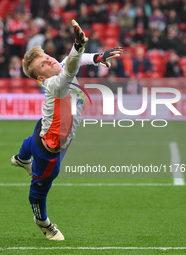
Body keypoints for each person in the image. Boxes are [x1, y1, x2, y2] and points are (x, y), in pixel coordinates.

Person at [11, 20, 123, 240]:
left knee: (31, 140)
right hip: (50, 149)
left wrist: (97, 57)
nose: (49, 60)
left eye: (46, 57)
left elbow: (75, 61)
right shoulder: (54, 83)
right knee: (40, 188)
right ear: (41, 78)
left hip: (48, 128)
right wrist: (78, 44)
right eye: (42, 64)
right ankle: (42, 221)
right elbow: (72, 65)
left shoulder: (61, 67)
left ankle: (22, 158)